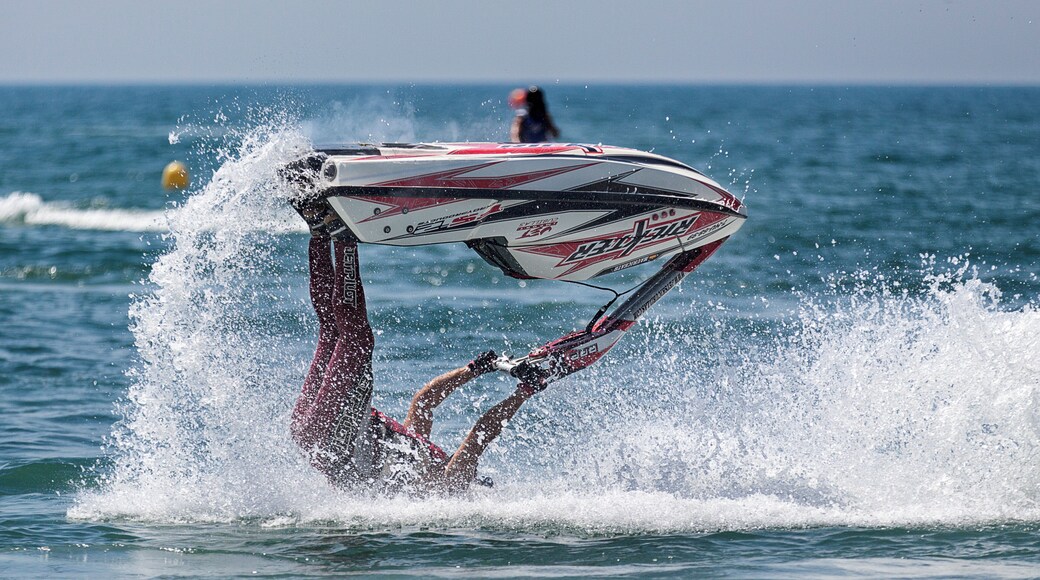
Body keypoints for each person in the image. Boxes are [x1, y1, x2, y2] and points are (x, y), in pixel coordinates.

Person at [289, 204, 545, 493]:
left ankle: (342, 239)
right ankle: (319, 230)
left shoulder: (448, 487)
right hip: (313, 434)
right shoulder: (416, 453)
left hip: (334, 437)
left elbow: (479, 436)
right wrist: (474, 369)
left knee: (357, 341)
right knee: (332, 332)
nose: (474, 475)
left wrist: (524, 392)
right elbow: (424, 402)